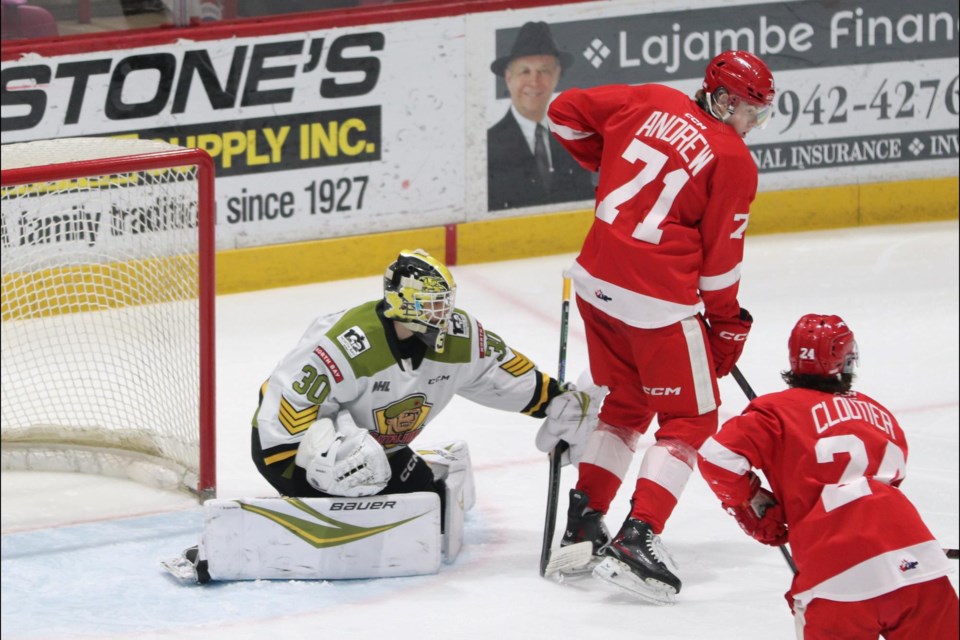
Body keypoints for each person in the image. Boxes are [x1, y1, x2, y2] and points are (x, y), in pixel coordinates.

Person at [542, 50, 776, 603]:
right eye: (749, 111)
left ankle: (582, 525)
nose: (751, 124)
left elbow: (562, 112)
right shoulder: (732, 158)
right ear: (721, 100)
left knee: (624, 405)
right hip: (654, 302)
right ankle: (639, 535)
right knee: (692, 418)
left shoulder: (649, 98)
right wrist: (725, 323)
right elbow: (721, 264)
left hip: (595, 283)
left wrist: (605, 161)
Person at [252, 248, 606, 509]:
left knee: (432, 506)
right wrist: (315, 466)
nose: (444, 313)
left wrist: (554, 400)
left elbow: (498, 370)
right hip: (288, 451)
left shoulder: (457, 336)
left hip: (377, 450)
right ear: (402, 302)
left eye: (445, 302)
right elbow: (287, 404)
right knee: (372, 497)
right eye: (432, 303)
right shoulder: (347, 344)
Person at [698, 314, 958, 639]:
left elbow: (717, 458)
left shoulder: (775, 411)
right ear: (847, 360)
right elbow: (887, 480)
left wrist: (755, 506)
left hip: (838, 572)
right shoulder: (880, 415)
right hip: (918, 562)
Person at [487, 21, 595, 211]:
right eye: (524, 71)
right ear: (508, 77)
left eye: (543, 71)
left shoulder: (573, 139)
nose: (534, 81)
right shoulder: (489, 145)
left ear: (557, 75)